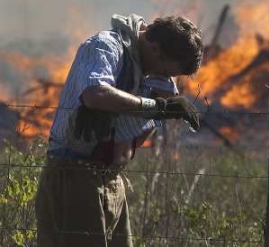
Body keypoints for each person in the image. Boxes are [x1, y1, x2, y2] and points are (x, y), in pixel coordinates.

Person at [35, 13, 203, 247]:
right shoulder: (104, 46)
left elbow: (162, 105)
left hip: (112, 179)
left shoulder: (152, 67)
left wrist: (131, 145)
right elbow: (96, 94)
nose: (165, 77)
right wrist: (153, 108)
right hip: (73, 174)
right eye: (166, 71)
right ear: (155, 48)